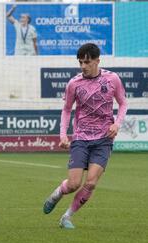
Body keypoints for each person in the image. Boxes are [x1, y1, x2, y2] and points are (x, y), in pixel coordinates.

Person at [43, 43, 128, 229]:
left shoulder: (112, 79)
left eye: (87, 62)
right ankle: (57, 194)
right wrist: (63, 135)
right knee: (74, 184)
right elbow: (66, 110)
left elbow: (123, 104)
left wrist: (117, 123)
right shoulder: (74, 83)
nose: (83, 66)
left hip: (104, 139)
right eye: (80, 62)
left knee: (90, 183)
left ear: (97, 61)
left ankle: (66, 217)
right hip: (81, 137)